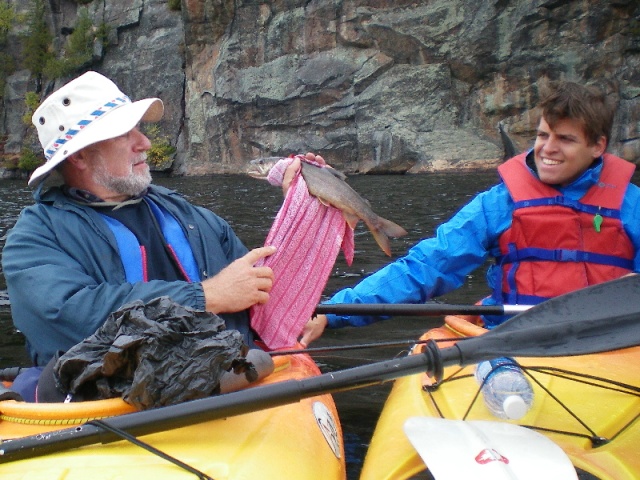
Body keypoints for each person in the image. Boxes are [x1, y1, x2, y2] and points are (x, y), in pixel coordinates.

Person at [1, 71, 310, 401]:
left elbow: (257, 285)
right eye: (125, 133)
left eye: (140, 130)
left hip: (233, 378)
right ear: (79, 156)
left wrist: (301, 211)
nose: (144, 143)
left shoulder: (193, 217)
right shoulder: (34, 237)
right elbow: (64, 315)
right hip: (113, 406)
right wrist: (203, 296)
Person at [300, 80, 640, 346]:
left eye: (565, 139)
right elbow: (426, 267)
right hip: (518, 343)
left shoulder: (631, 206)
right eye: (542, 135)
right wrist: (334, 313)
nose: (547, 149)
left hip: (611, 345)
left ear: (597, 146)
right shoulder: (499, 205)